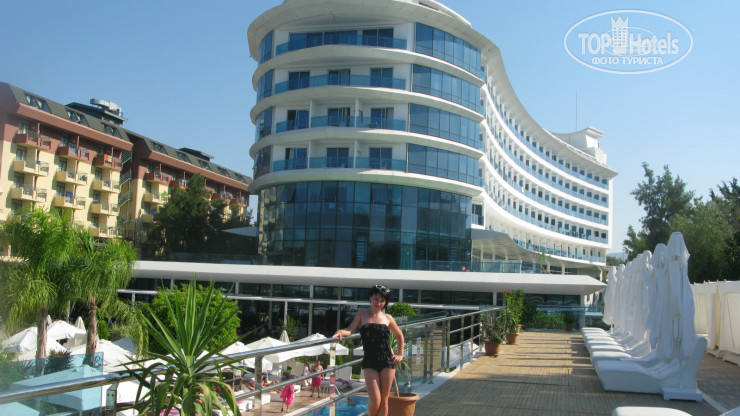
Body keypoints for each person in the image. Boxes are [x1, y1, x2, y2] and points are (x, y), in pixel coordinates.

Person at [333, 285, 404, 416]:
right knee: (375, 400)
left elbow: (400, 335)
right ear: (370, 297)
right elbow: (350, 330)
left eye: (382, 301)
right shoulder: (362, 314)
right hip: (370, 360)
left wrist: (400, 354)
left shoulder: (388, 317)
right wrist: (340, 332)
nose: (379, 303)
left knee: (384, 401)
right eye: (376, 299)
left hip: (387, 360)